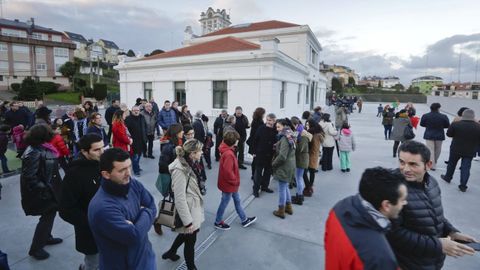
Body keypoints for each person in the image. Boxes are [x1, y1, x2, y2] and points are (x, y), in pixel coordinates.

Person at [387, 141, 476, 269]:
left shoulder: (432, 183)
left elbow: (436, 215)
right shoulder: (393, 189)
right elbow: (393, 233)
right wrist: (438, 245)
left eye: (412, 164)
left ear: (428, 165)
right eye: (402, 162)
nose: (405, 169)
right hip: (408, 263)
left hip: (433, 261)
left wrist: (451, 232)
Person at [325, 167, 407, 270]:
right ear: (386, 205)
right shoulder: (380, 256)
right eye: (402, 199)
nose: (405, 203)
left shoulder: (339, 209)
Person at [88, 148, 157, 270]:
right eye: (122, 170)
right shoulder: (102, 207)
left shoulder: (133, 184)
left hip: (146, 259)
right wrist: (145, 212)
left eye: (129, 167)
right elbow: (133, 237)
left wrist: (142, 215)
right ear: (106, 174)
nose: (129, 173)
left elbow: (152, 206)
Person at [59, 134, 104, 270]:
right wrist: (90, 223)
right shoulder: (74, 174)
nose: (102, 152)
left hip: (109, 228)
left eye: (103, 148)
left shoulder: (102, 164)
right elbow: (65, 210)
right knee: (94, 264)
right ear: (84, 151)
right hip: (90, 234)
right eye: (97, 150)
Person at [20, 124, 63, 260]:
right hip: (43, 192)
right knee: (47, 216)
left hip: (49, 189)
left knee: (50, 215)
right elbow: (30, 177)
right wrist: (45, 189)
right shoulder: (34, 151)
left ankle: (46, 237)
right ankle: (36, 248)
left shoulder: (42, 147)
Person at [162, 139, 205, 270]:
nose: (202, 153)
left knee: (186, 235)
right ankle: (191, 267)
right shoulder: (180, 170)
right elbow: (179, 198)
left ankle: (171, 252)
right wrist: (188, 222)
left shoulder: (191, 164)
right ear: (192, 153)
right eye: (199, 151)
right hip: (188, 210)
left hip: (193, 207)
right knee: (190, 241)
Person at [214, 131, 257, 230]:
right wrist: (235, 181)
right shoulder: (229, 154)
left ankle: (244, 219)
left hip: (228, 184)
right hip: (230, 184)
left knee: (237, 200)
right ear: (234, 142)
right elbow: (228, 171)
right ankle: (218, 221)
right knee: (225, 202)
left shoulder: (226, 149)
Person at [441, 109, 480, 192]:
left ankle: (448, 177)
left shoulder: (456, 124)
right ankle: (463, 185)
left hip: (456, 148)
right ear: (473, 117)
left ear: (463, 115)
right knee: (466, 168)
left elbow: (449, 134)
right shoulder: (478, 126)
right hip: (470, 150)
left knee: (451, 164)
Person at [156, 123, 184, 235]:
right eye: (181, 131)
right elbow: (162, 166)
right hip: (172, 178)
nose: (183, 133)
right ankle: (159, 221)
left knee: (177, 201)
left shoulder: (179, 143)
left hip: (177, 177)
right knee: (175, 201)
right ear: (177, 133)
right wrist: (174, 169)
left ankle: (175, 222)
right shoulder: (168, 146)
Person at [272, 118, 296, 219]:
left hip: (284, 166)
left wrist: (273, 163)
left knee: (282, 188)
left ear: (284, 126)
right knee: (285, 186)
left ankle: (281, 210)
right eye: (276, 127)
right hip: (290, 164)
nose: (277, 129)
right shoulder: (290, 135)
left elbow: (282, 156)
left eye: (279, 127)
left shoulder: (285, 138)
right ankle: (289, 207)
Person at [250, 113, 277, 197]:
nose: (269, 122)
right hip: (260, 154)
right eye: (268, 120)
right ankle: (255, 189)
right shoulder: (261, 128)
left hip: (270, 155)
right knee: (258, 173)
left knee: (268, 172)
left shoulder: (276, 130)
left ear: (274, 121)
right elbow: (255, 140)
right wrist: (254, 152)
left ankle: (265, 186)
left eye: (271, 120)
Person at [420, 103, 450, 170]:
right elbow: (447, 125)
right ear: (438, 108)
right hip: (439, 134)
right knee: (438, 150)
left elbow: (422, 124)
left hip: (429, 134)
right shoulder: (444, 116)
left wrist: (428, 126)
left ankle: (432, 163)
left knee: (430, 150)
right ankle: (434, 162)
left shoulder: (425, 115)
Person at [291, 117, 311, 206]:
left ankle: (299, 197)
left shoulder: (303, 135)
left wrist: (294, 142)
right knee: (299, 177)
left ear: (295, 125)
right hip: (301, 159)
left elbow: (300, 149)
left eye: (292, 126)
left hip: (301, 159)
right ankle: (299, 195)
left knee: (299, 178)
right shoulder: (299, 132)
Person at [303, 118, 324, 197]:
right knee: (312, 171)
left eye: (308, 124)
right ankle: (310, 186)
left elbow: (309, 145)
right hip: (315, 155)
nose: (307, 126)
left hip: (310, 155)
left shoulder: (311, 133)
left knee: (304, 172)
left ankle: (308, 187)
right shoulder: (318, 132)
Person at [125, 106, 147, 176]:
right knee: (135, 156)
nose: (136, 111)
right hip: (133, 141)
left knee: (139, 154)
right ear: (132, 111)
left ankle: (137, 166)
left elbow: (145, 127)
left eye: (137, 110)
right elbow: (126, 130)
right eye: (134, 110)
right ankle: (136, 170)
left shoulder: (142, 117)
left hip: (141, 140)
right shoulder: (128, 119)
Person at [246, 107, 265, 180]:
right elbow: (257, 135)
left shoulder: (255, 120)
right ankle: (254, 175)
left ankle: (253, 174)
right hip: (256, 144)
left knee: (254, 160)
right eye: (263, 113)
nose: (264, 115)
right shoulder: (259, 122)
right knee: (255, 161)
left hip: (253, 143)